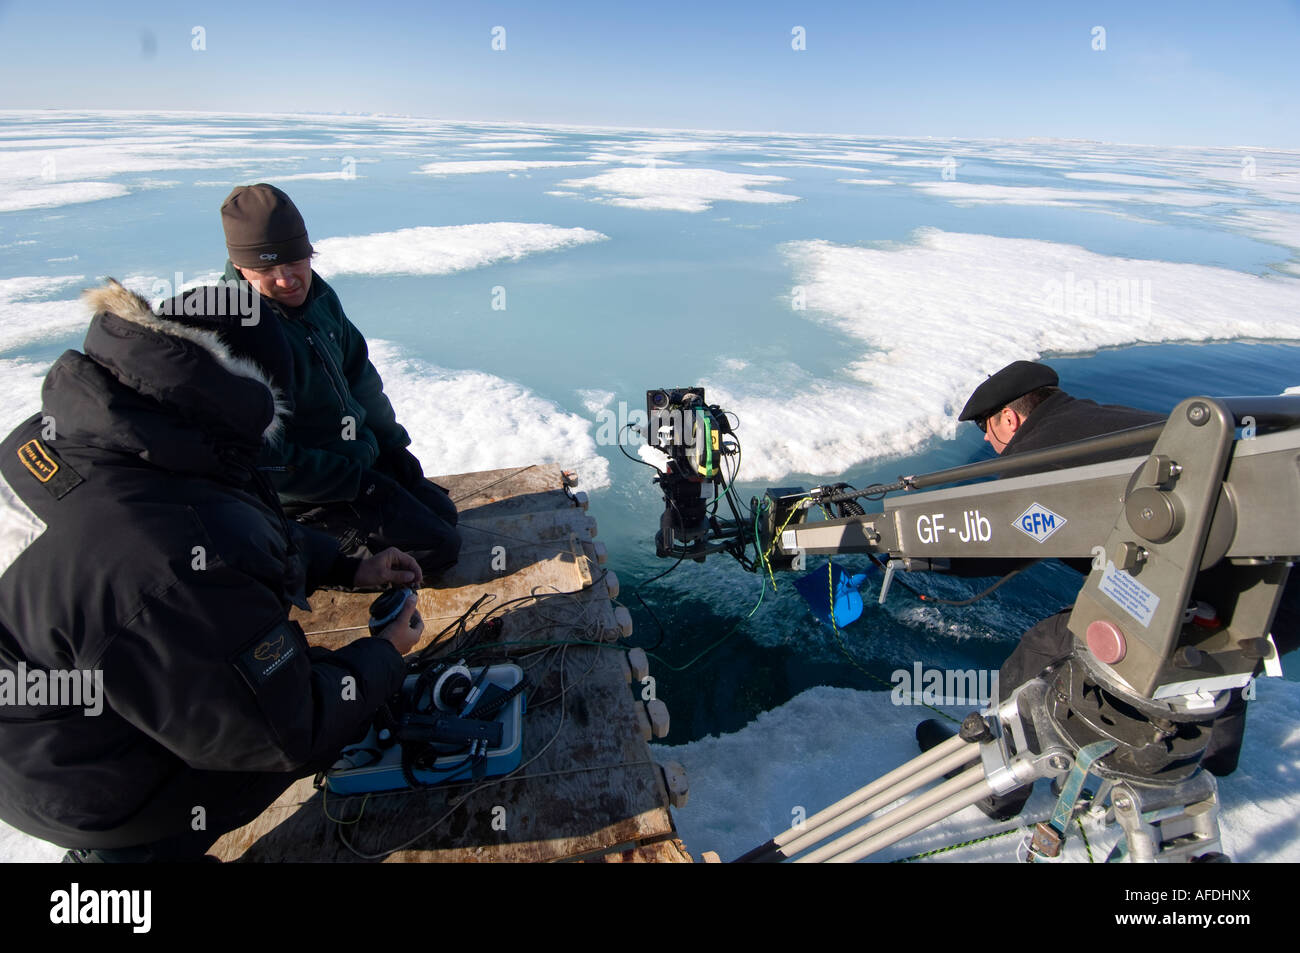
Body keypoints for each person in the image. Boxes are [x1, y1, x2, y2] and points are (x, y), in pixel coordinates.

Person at [0, 279, 425, 862]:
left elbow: (225, 521)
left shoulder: (89, 433)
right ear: (251, 396)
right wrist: (383, 656)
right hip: (75, 780)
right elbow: (285, 732)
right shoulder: (162, 556)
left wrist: (349, 568)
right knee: (293, 715)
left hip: (42, 727)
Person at [218, 183, 460, 578]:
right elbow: (263, 460)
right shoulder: (239, 334)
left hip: (355, 460)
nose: (286, 279)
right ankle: (304, 543)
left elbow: (360, 376)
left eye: (296, 260)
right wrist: (353, 483)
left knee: (444, 515)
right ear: (240, 267)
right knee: (437, 551)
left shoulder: (320, 300)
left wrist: (392, 446)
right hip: (303, 494)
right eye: (266, 269)